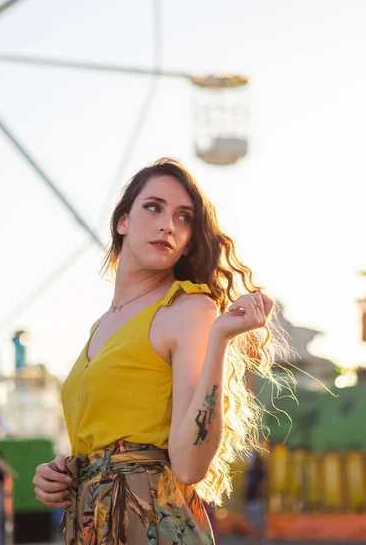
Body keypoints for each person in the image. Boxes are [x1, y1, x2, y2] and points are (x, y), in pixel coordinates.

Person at [32, 158, 283, 544]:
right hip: (89, 524)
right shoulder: (100, 326)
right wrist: (61, 471)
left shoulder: (189, 309)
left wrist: (219, 340)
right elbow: (110, 437)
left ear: (188, 242)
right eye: (154, 207)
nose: (169, 224)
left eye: (184, 218)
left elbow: (187, 466)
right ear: (123, 221)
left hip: (152, 525)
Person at [243, 452, 268, 543]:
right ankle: (255, 540)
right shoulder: (249, 470)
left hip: (256, 499)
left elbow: (262, 485)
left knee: (259, 522)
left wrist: (258, 496)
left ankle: (260, 540)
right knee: (253, 522)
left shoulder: (259, 470)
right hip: (249, 498)